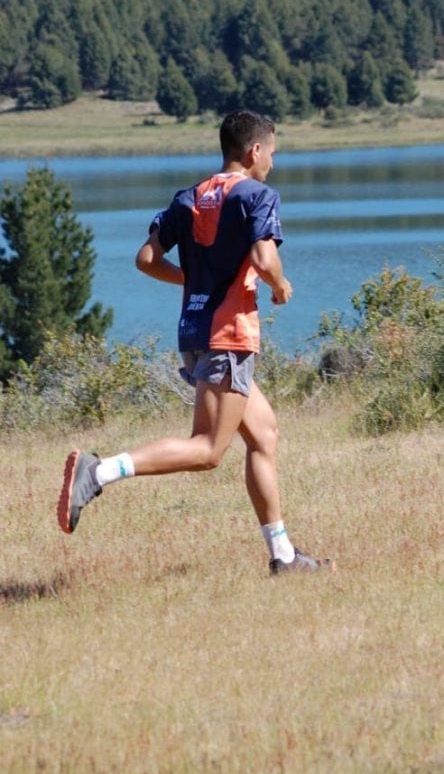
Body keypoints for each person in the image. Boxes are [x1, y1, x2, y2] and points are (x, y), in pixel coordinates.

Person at [57, 109, 332, 576]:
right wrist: (280, 286)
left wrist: (191, 278)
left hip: (194, 333)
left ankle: (284, 557)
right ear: (255, 151)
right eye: (273, 155)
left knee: (264, 436)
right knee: (207, 450)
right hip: (229, 337)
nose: (273, 165)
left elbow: (146, 259)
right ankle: (99, 472)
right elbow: (265, 260)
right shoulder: (259, 196)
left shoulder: (188, 198)